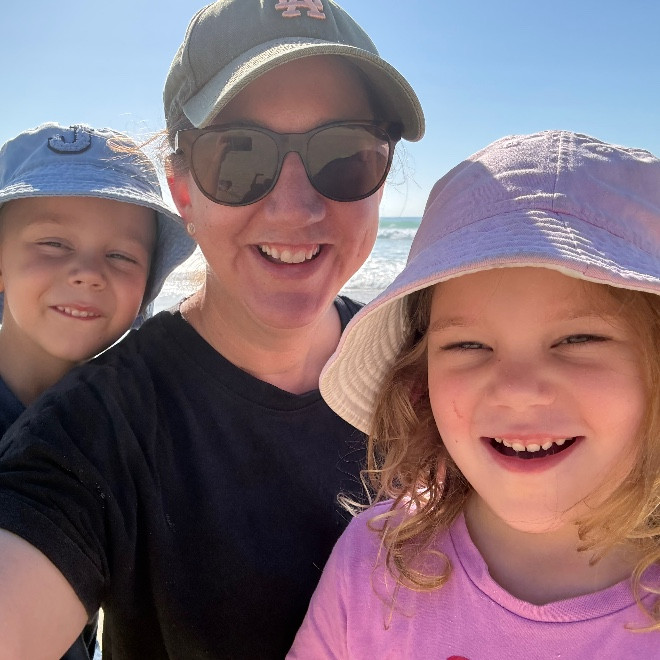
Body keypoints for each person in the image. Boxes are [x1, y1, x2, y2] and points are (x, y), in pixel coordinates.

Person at [0, 1, 423, 658]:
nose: (296, 208)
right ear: (182, 191)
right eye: (238, 156)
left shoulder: (434, 365)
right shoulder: (100, 427)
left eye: (344, 154)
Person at [289, 130, 660, 658]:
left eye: (578, 339)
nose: (517, 391)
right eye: (468, 345)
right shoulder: (376, 561)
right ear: (420, 381)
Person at [0, 121, 195, 660]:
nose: (87, 272)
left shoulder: (127, 419)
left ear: (147, 285)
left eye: (121, 256)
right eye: (53, 243)